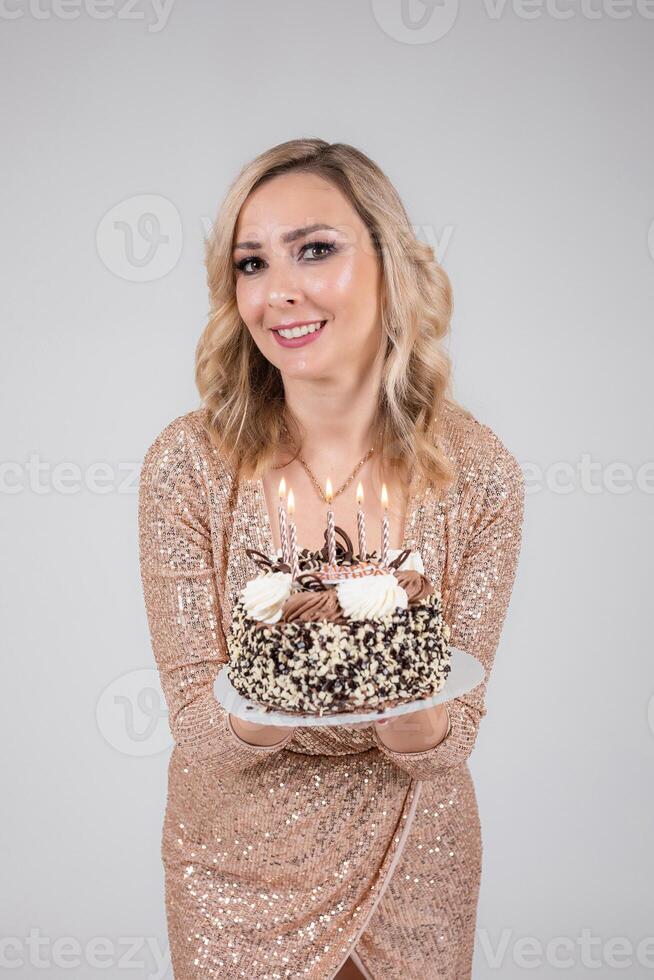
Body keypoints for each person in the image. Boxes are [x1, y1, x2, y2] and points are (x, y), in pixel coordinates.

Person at [137, 138, 525, 979]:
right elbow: (198, 726)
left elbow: (453, 734)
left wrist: (413, 715)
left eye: (315, 249)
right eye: (251, 263)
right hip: (234, 857)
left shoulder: (478, 471)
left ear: (390, 264)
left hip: (414, 850)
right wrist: (283, 679)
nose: (279, 292)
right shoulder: (188, 464)